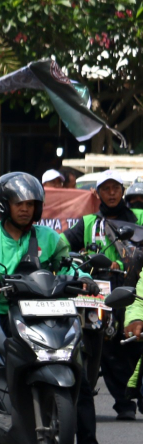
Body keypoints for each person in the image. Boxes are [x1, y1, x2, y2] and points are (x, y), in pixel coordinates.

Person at [0, 172, 109, 444]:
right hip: (7, 312)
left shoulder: (48, 237)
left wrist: (85, 280)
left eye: (31, 204)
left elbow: (68, 263)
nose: (26, 209)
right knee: (3, 356)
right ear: (5, 204)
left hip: (53, 313)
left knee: (79, 374)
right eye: (19, 203)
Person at [63, 172, 143, 420]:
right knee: (104, 343)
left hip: (134, 288)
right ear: (98, 193)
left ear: (123, 191)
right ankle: (124, 403)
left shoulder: (139, 217)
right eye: (106, 189)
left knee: (134, 342)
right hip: (98, 292)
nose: (111, 193)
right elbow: (62, 247)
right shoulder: (88, 223)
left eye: (115, 188)